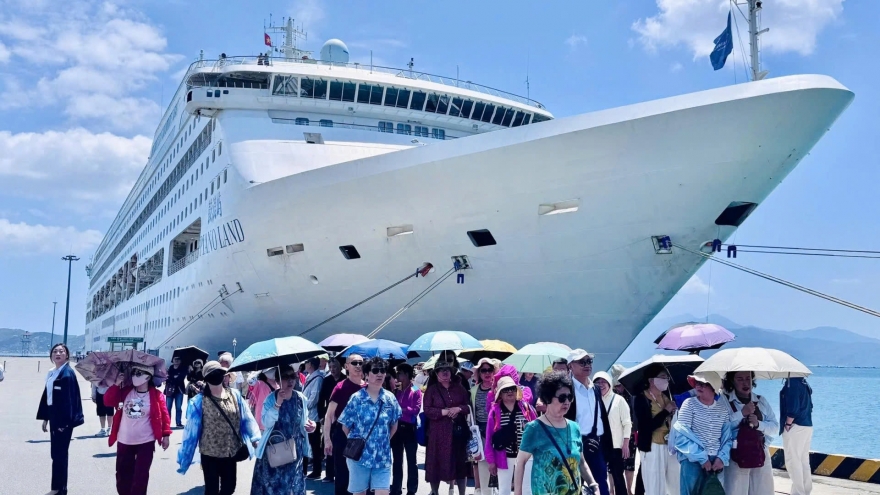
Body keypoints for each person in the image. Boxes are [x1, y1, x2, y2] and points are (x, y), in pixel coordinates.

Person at [177, 360, 261, 495]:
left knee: (229, 488)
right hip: (210, 453)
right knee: (212, 490)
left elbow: (247, 419)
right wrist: (185, 456)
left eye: (219, 372)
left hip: (230, 451)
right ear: (206, 378)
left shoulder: (235, 395)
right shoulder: (199, 401)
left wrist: (255, 437)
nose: (216, 375)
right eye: (212, 374)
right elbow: (191, 433)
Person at [514, 370, 600, 495]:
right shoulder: (534, 428)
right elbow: (520, 462)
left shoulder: (575, 427)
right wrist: (518, 492)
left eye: (569, 397)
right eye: (561, 397)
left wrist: (593, 484)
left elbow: (581, 461)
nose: (567, 402)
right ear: (547, 398)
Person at [104, 363, 172, 495]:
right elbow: (108, 401)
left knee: (141, 475)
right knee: (122, 474)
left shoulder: (157, 395)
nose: (135, 376)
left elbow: (164, 415)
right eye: (134, 373)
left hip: (146, 441)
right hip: (125, 440)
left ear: (148, 377)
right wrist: (116, 384)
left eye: (139, 374)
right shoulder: (125, 391)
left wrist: (166, 435)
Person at [338, 357, 402, 495]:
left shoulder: (390, 399)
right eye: (375, 370)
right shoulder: (356, 398)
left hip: (382, 457)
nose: (380, 374)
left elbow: (394, 426)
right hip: (360, 457)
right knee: (360, 493)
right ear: (366, 375)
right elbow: (345, 427)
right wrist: (360, 443)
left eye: (383, 370)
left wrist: (381, 442)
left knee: (383, 492)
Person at [251, 366, 317, 495]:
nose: (290, 381)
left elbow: (304, 421)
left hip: (294, 452)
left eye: (292, 376)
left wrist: (312, 426)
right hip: (274, 451)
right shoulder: (270, 399)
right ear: (278, 380)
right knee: (275, 489)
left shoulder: (300, 398)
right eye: (286, 377)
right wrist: (277, 404)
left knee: (293, 487)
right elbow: (266, 423)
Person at [673, 373, 732, 495]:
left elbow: (727, 438)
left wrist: (722, 458)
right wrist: (702, 458)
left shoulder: (723, 410)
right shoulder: (689, 404)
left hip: (715, 462)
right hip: (692, 461)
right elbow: (681, 436)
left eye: (704, 384)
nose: (699, 386)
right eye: (697, 383)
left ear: (713, 388)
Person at [37, 343, 84, 495]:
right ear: (51, 355)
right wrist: (46, 417)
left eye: (61, 351)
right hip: (54, 416)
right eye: (55, 351)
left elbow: (70, 400)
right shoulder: (53, 372)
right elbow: (48, 396)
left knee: (60, 454)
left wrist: (65, 422)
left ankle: (60, 489)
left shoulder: (67, 374)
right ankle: (56, 487)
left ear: (67, 355)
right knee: (56, 453)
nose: (58, 353)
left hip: (63, 419)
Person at [565, 349, 612, 495]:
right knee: (574, 487)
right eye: (582, 362)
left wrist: (608, 448)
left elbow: (602, 418)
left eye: (589, 361)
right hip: (575, 445)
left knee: (601, 487)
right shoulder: (566, 389)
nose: (587, 365)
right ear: (570, 365)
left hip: (596, 445)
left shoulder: (596, 389)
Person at [722, 371, 777, 495]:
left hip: (760, 453)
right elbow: (721, 427)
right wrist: (741, 414)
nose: (745, 383)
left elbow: (774, 427)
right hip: (736, 455)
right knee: (735, 490)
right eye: (740, 379)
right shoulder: (724, 400)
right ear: (732, 381)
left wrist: (759, 424)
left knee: (763, 490)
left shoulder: (761, 401)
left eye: (748, 378)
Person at [424, 357, 471, 495]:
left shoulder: (459, 388)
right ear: (436, 374)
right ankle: (435, 491)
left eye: (447, 370)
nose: (445, 373)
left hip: (457, 432)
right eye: (441, 371)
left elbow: (468, 406)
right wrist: (442, 412)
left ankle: (461, 493)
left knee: (460, 464)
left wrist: (459, 409)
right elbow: (427, 409)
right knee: (436, 463)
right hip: (438, 433)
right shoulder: (432, 390)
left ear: (451, 372)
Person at [484, 374, 537, 495]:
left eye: (512, 389)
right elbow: (489, 437)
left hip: (526, 454)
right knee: (504, 490)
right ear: (500, 394)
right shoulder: (495, 411)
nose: (509, 392)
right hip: (504, 455)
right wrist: (491, 461)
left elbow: (536, 430)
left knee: (527, 490)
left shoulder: (526, 408)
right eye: (505, 390)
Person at [324, 354, 367, 495]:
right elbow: (329, 415)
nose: (358, 365)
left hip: (365, 437)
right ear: (346, 366)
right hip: (343, 437)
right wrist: (327, 440)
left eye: (361, 362)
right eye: (354, 363)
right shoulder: (341, 387)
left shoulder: (369, 387)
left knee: (363, 479)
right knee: (343, 477)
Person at [634, 364, 679, 495]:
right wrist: (665, 412)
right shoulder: (642, 399)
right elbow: (646, 426)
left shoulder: (666, 397)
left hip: (669, 446)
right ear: (651, 380)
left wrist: (672, 412)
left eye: (667, 377)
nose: (666, 380)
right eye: (662, 377)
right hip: (652, 445)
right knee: (654, 484)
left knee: (672, 484)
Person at [593, 371, 632, 495]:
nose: (601, 384)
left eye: (603, 381)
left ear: (610, 383)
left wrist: (625, 443)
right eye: (597, 382)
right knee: (599, 476)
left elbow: (627, 423)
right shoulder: (592, 400)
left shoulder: (619, 400)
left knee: (618, 476)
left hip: (616, 445)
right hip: (598, 445)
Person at [470, 357, 500, 495]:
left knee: (500, 468)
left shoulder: (499, 388)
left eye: (490, 370)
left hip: (497, 433)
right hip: (481, 433)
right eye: (483, 370)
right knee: (483, 467)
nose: (487, 373)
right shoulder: (473, 390)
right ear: (479, 373)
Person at [391, 363, 422, 495]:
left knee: (411, 460)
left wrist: (401, 409)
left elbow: (415, 409)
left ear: (407, 375)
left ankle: (411, 489)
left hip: (409, 428)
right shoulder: (396, 389)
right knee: (397, 460)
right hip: (397, 428)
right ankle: (396, 487)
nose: (397, 376)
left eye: (400, 373)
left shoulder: (415, 389)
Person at [779, 376, 813, 495]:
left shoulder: (792, 383)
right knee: (803, 460)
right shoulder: (804, 383)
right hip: (807, 425)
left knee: (793, 460)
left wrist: (788, 423)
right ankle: (805, 490)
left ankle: (798, 492)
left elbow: (793, 407)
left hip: (795, 426)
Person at [611, 364, 637, 495]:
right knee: (612, 464)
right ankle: (611, 490)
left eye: (620, 384)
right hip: (613, 434)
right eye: (616, 384)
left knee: (630, 462)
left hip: (630, 433)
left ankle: (629, 490)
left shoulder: (632, 393)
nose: (618, 387)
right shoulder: (610, 394)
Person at [318, 357, 343, 483]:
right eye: (331, 367)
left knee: (340, 447)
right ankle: (329, 474)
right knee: (328, 444)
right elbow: (321, 399)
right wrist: (322, 415)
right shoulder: (327, 380)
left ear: (340, 367)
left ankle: (340, 473)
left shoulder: (345, 380)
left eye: (335, 367)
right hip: (329, 416)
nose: (333, 370)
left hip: (342, 418)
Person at [302, 357, 325, 479]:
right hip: (307, 415)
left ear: (310, 364)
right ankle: (304, 470)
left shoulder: (317, 378)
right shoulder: (310, 376)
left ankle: (317, 470)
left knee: (314, 444)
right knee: (307, 443)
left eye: (307, 362)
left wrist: (304, 406)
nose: (305, 364)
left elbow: (314, 397)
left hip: (312, 416)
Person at [166, 356, 187, 428]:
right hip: (170, 391)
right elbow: (167, 378)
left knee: (178, 407)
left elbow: (181, 379)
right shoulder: (170, 368)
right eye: (175, 359)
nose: (177, 361)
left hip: (179, 390)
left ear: (181, 361)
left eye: (178, 359)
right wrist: (174, 378)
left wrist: (173, 378)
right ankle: (167, 423)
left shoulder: (183, 368)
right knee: (168, 407)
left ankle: (178, 422)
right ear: (173, 360)